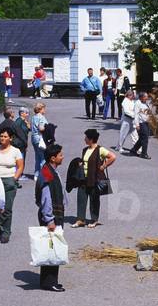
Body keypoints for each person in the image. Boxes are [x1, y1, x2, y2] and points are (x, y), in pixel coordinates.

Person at [35, 143, 66, 292]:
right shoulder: (47, 174)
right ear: (53, 158)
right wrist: (50, 220)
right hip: (51, 218)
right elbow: (46, 199)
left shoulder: (50, 170)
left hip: (54, 216)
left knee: (53, 247)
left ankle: (50, 280)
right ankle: (49, 282)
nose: (62, 157)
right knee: (51, 249)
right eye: (60, 155)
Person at [73, 128, 115, 228]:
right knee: (81, 197)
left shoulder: (100, 149)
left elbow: (113, 156)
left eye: (86, 137)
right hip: (83, 178)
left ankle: (94, 219)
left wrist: (104, 166)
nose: (84, 139)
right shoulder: (85, 150)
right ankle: (80, 219)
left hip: (95, 178)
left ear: (91, 139)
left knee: (94, 199)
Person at [0, 130, 24, 244]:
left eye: (5, 136)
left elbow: (20, 166)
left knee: (7, 208)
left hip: (9, 180)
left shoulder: (16, 151)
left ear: (10, 138)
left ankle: (6, 232)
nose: (2, 138)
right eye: (1, 136)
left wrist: (14, 179)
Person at [129, 92, 152, 159]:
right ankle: (144, 154)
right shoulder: (137, 103)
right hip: (141, 123)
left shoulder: (145, 103)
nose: (147, 98)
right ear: (141, 97)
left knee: (142, 138)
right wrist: (137, 125)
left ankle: (134, 150)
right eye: (146, 97)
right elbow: (136, 115)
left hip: (146, 122)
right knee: (145, 139)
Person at [30, 101, 49, 176]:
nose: (45, 110)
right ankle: (44, 175)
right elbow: (41, 128)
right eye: (44, 109)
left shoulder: (34, 117)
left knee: (37, 157)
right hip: (40, 138)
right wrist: (48, 127)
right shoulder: (41, 117)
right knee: (43, 158)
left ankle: (36, 174)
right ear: (41, 109)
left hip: (34, 138)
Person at [12, 107, 30, 174]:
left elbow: (28, 129)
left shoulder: (23, 121)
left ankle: (19, 173)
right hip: (19, 143)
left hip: (23, 143)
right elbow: (15, 130)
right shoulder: (19, 121)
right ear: (22, 113)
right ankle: (18, 174)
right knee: (20, 159)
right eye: (26, 113)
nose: (27, 115)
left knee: (22, 158)